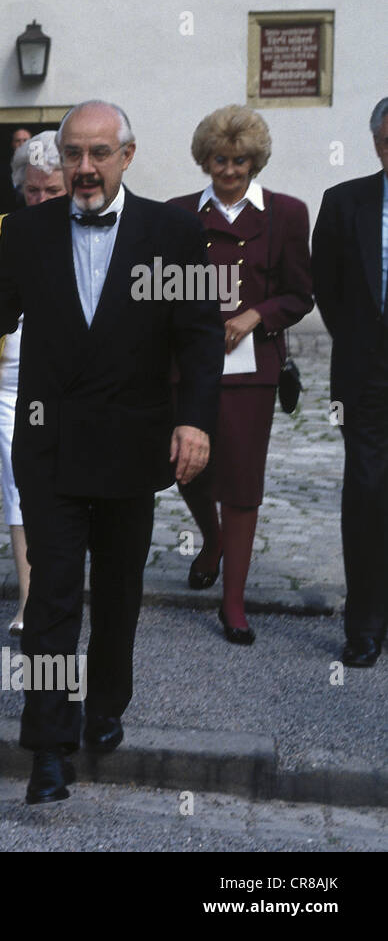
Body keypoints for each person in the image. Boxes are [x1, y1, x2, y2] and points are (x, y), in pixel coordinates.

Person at [0, 101, 223, 804]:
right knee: (52, 597)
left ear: (127, 155)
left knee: (117, 595)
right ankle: (48, 747)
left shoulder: (174, 231)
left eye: (99, 153)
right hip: (48, 445)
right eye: (74, 153)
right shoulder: (25, 230)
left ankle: (107, 699)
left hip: (131, 445)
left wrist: (196, 421)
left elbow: (200, 334)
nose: (85, 168)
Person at [167, 105, 314, 645]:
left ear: (256, 161)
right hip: (187, 365)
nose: (229, 170)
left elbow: (301, 294)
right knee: (187, 466)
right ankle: (212, 540)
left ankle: (233, 602)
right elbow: (161, 289)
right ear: (204, 160)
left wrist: (257, 315)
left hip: (252, 369)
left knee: (243, 482)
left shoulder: (287, 214)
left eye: (240, 160)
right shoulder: (178, 215)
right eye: (220, 160)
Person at [0, 130, 68, 635]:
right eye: (32, 190)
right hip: (10, 377)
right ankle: (30, 601)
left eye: (52, 191)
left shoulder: (86, 230)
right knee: (19, 483)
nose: (40, 200)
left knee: (72, 481)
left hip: (73, 380)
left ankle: (64, 589)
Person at [311, 96, 388, 668]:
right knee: (366, 494)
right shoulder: (344, 203)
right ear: (376, 143)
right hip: (368, 376)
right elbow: (328, 289)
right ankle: (364, 622)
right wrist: (364, 345)